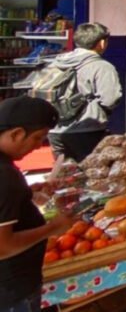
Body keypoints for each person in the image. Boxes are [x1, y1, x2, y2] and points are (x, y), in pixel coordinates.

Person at [0, 97, 74, 312]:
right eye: (37, 138)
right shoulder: (5, 175)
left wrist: (27, 194)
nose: (38, 146)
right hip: (11, 290)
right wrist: (53, 228)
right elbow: (3, 246)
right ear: (17, 134)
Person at [48, 23, 123, 162]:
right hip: (88, 130)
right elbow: (111, 98)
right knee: (92, 171)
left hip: (55, 131)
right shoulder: (102, 67)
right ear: (101, 43)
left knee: (66, 172)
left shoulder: (57, 62)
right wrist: (99, 112)